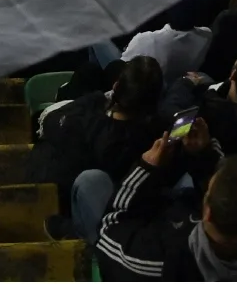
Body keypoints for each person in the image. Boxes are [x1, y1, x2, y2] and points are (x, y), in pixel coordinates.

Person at [96, 125, 237, 281]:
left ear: (208, 213)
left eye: (208, 191)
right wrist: (204, 152)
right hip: (172, 217)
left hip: (138, 237)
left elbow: (107, 232)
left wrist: (145, 168)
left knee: (91, 182)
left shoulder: (160, 261)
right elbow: (233, 192)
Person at [32, 56, 165, 240]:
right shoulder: (157, 135)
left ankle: (76, 231)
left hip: (91, 210)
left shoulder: (89, 124)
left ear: (117, 86)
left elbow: (50, 123)